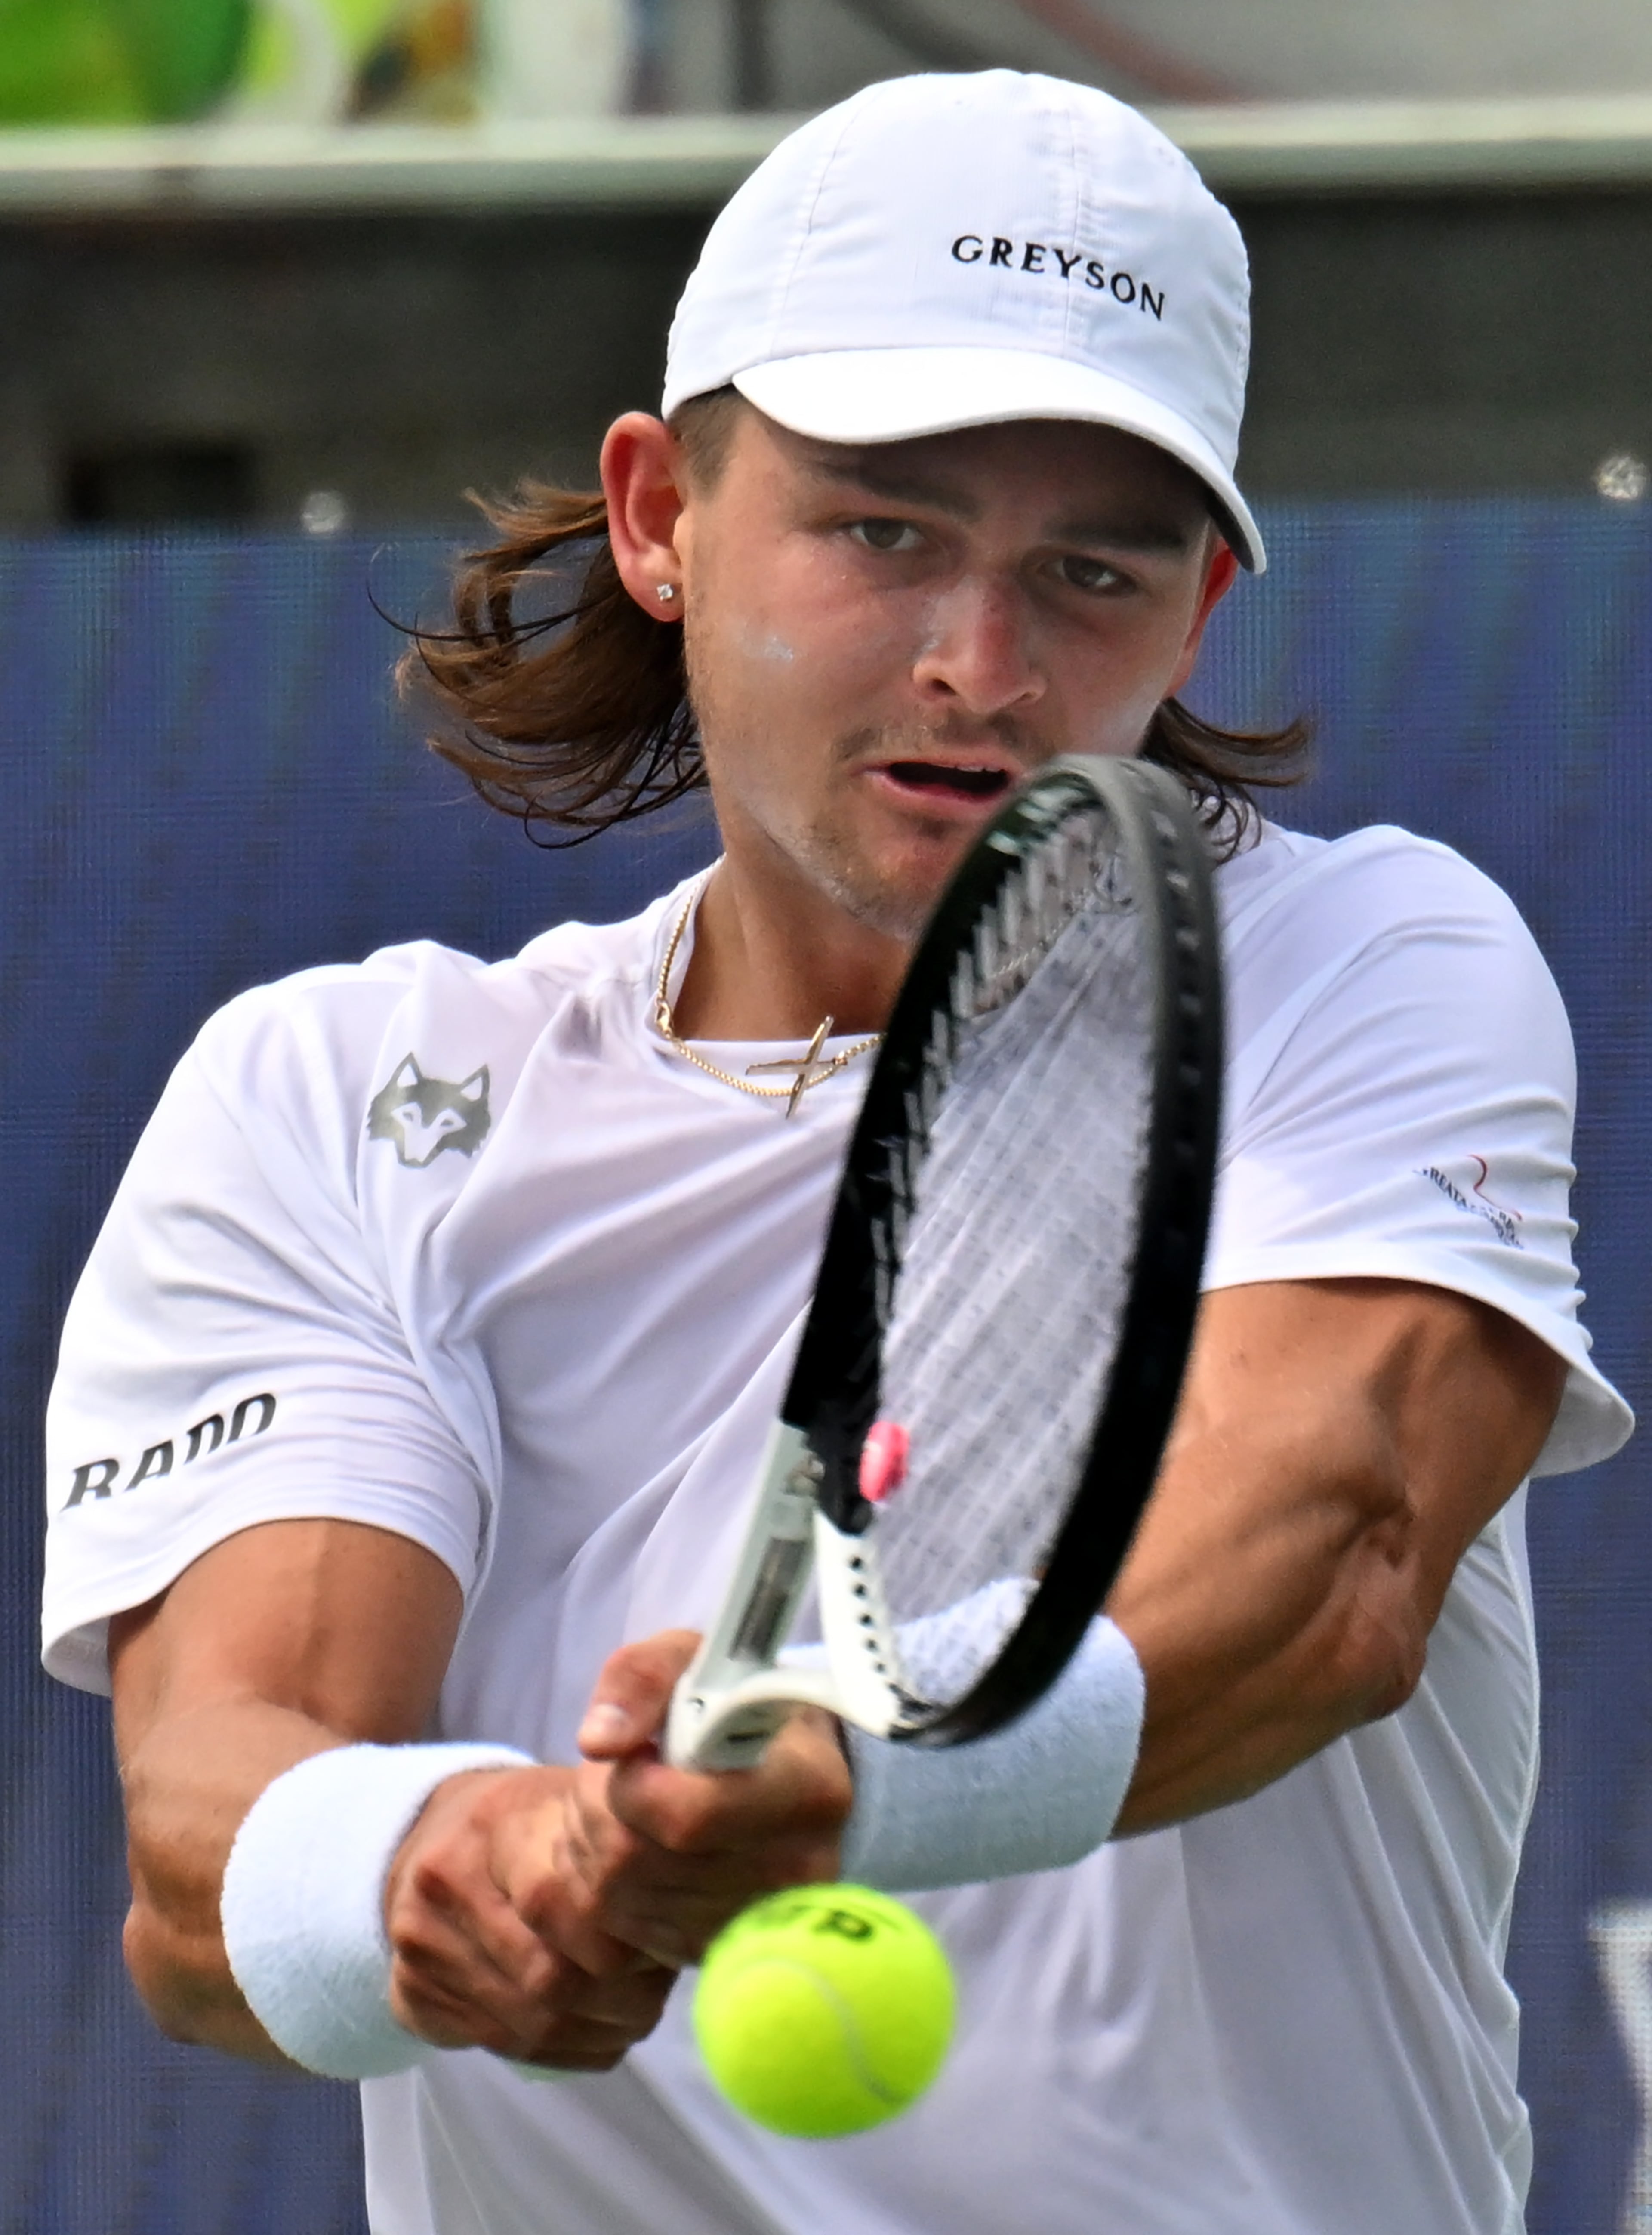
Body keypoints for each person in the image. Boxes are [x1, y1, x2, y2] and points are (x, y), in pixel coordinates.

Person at [41, 68, 1631, 2235]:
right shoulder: (337, 1094)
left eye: (1092, 567)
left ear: (1200, 612)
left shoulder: (1364, 964)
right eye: (883, 529)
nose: (983, 666)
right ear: (659, 515)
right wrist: (438, 1871)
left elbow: (1330, 1566)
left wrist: (849, 1772)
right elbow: (208, 1842)